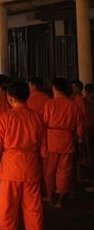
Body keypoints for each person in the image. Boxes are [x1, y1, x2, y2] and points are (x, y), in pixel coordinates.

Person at [0, 82, 46, 230]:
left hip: (11, 164)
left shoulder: (6, 117)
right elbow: (43, 145)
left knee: (8, 203)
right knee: (34, 203)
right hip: (31, 163)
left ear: (10, 98)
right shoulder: (36, 117)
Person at [41, 78, 84, 208]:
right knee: (64, 170)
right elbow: (79, 126)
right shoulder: (72, 104)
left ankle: (50, 196)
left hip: (52, 140)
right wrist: (79, 138)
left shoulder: (50, 104)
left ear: (54, 88)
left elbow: (43, 123)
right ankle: (60, 199)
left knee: (49, 171)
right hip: (67, 139)